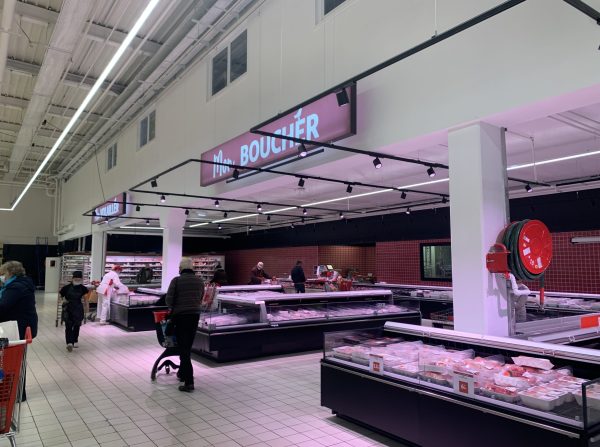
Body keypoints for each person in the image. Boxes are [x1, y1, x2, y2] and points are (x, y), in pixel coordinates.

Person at [0, 261, 38, 402]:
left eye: (3, 274)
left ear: (10, 273)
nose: (1, 277)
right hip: (21, 326)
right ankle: (16, 393)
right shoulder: (20, 284)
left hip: (19, 328)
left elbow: (3, 307)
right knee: (17, 361)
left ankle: (17, 394)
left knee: (15, 362)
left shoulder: (16, 287)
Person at [166, 257, 204, 392]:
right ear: (192, 268)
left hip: (181, 317)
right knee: (187, 346)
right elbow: (201, 297)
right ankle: (182, 373)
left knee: (184, 349)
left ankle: (189, 382)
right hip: (194, 316)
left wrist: (173, 308)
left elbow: (169, 299)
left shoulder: (176, 280)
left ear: (180, 268)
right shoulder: (200, 281)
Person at [60, 271, 88, 351]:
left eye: (79, 279)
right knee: (68, 325)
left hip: (78, 308)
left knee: (77, 325)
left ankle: (75, 340)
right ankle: (69, 343)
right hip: (68, 308)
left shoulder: (83, 288)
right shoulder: (66, 288)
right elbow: (61, 296)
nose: (77, 281)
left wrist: (86, 307)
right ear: (72, 279)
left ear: (81, 279)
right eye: (76, 279)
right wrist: (63, 300)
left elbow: (86, 299)